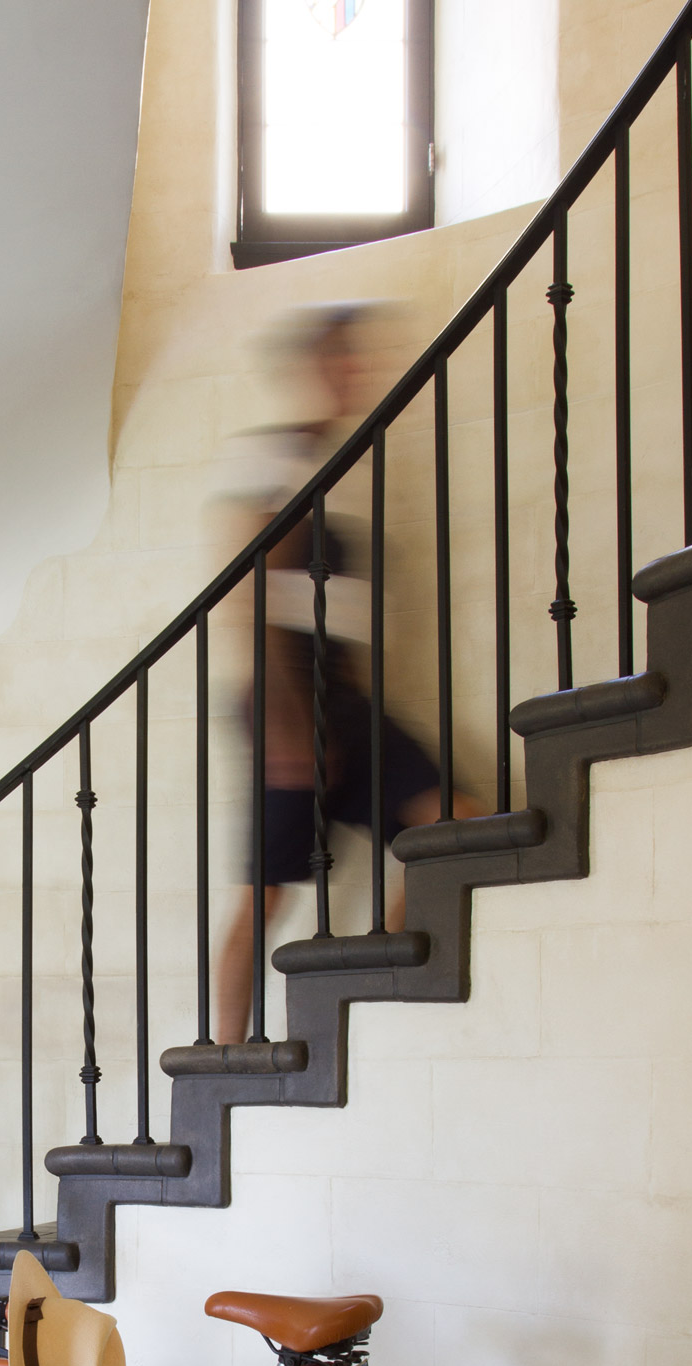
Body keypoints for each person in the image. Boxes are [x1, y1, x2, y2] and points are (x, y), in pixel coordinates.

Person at [212, 304, 481, 1046]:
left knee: (453, 818)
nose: (355, 373)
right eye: (342, 360)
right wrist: (288, 720)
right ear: (311, 370)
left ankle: (365, 972)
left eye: (357, 360)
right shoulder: (277, 459)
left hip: (348, 705)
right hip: (291, 702)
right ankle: (224, 1053)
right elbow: (247, 588)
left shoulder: (329, 465)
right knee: (265, 893)